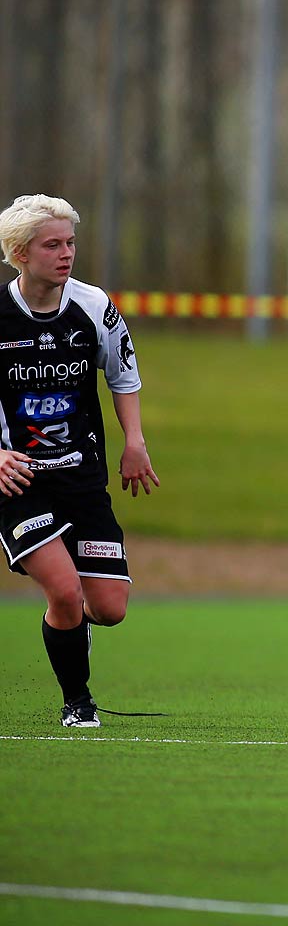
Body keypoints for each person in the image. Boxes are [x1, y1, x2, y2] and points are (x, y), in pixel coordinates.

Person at [0, 194, 158, 728]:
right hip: (18, 481)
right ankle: (77, 703)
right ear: (20, 253)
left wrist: (133, 441)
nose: (66, 253)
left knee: (109, 608)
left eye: (70, 242)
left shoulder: (93, 306)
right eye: (53, 245)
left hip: (83, 477)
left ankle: (74, 629)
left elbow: (124, 375)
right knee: (64, 594)